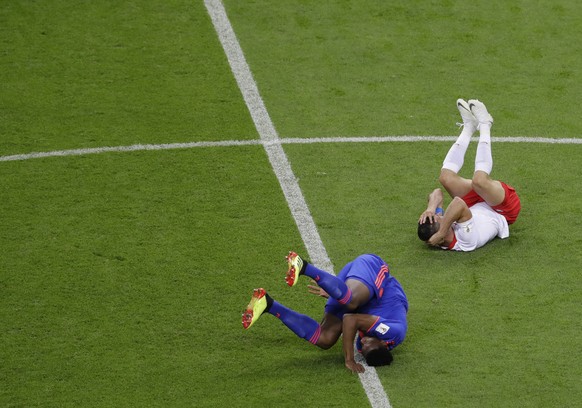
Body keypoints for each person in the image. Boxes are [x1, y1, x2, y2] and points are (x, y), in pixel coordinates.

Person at [242, 252, 408, 373]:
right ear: (383, 344)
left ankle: (268, 305)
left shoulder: (367, 346)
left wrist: (335, 293)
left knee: (325, 339)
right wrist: (349, 359)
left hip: (356, 298)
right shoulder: (393, 331)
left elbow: (353, 320)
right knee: (351, 302)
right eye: (368, 343)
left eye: (362, 349)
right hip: (372, 273)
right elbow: (350, 320)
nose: (362, 343)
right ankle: (303, 266)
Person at [418, 99, 521, 251]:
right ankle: (485, 124)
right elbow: (458, 203)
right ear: (442, 236)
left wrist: (430, 209)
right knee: (479, 181)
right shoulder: (466, 241)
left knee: (445, 178)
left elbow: (437, 193)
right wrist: (440, 231)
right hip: (503, 210)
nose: (441, 216)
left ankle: (469, 127)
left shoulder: (442, 228)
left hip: (476, 204)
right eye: (439, 219)